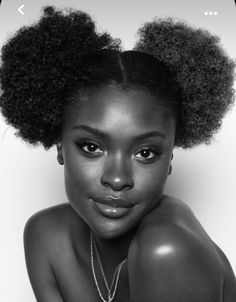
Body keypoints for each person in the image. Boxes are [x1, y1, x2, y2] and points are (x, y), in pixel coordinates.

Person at [0, 5, 236, 302]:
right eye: (92, 147)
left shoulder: (167, 250)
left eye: (146, 152)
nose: (117, 178)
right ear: (60, 145)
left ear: (170, 158)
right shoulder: (47, 235)